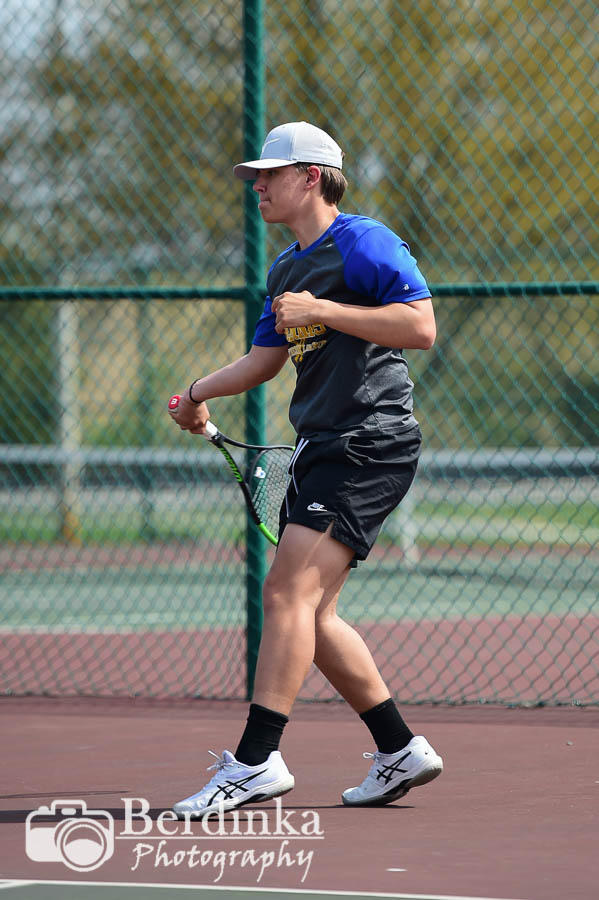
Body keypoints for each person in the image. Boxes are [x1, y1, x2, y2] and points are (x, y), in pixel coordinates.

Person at [168, 121, 443, 816]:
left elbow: (421, 328)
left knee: (285, 594)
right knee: (312, 616)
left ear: (310, 177)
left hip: (369, 441)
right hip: (322, 445)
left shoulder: (364, 241)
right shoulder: (285, 270)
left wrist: (324, 309)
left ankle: (255, 762)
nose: (257, 187)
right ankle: (399, 750)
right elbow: (264, 360)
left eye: (269, 175)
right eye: (255, 178)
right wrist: (197, 394)